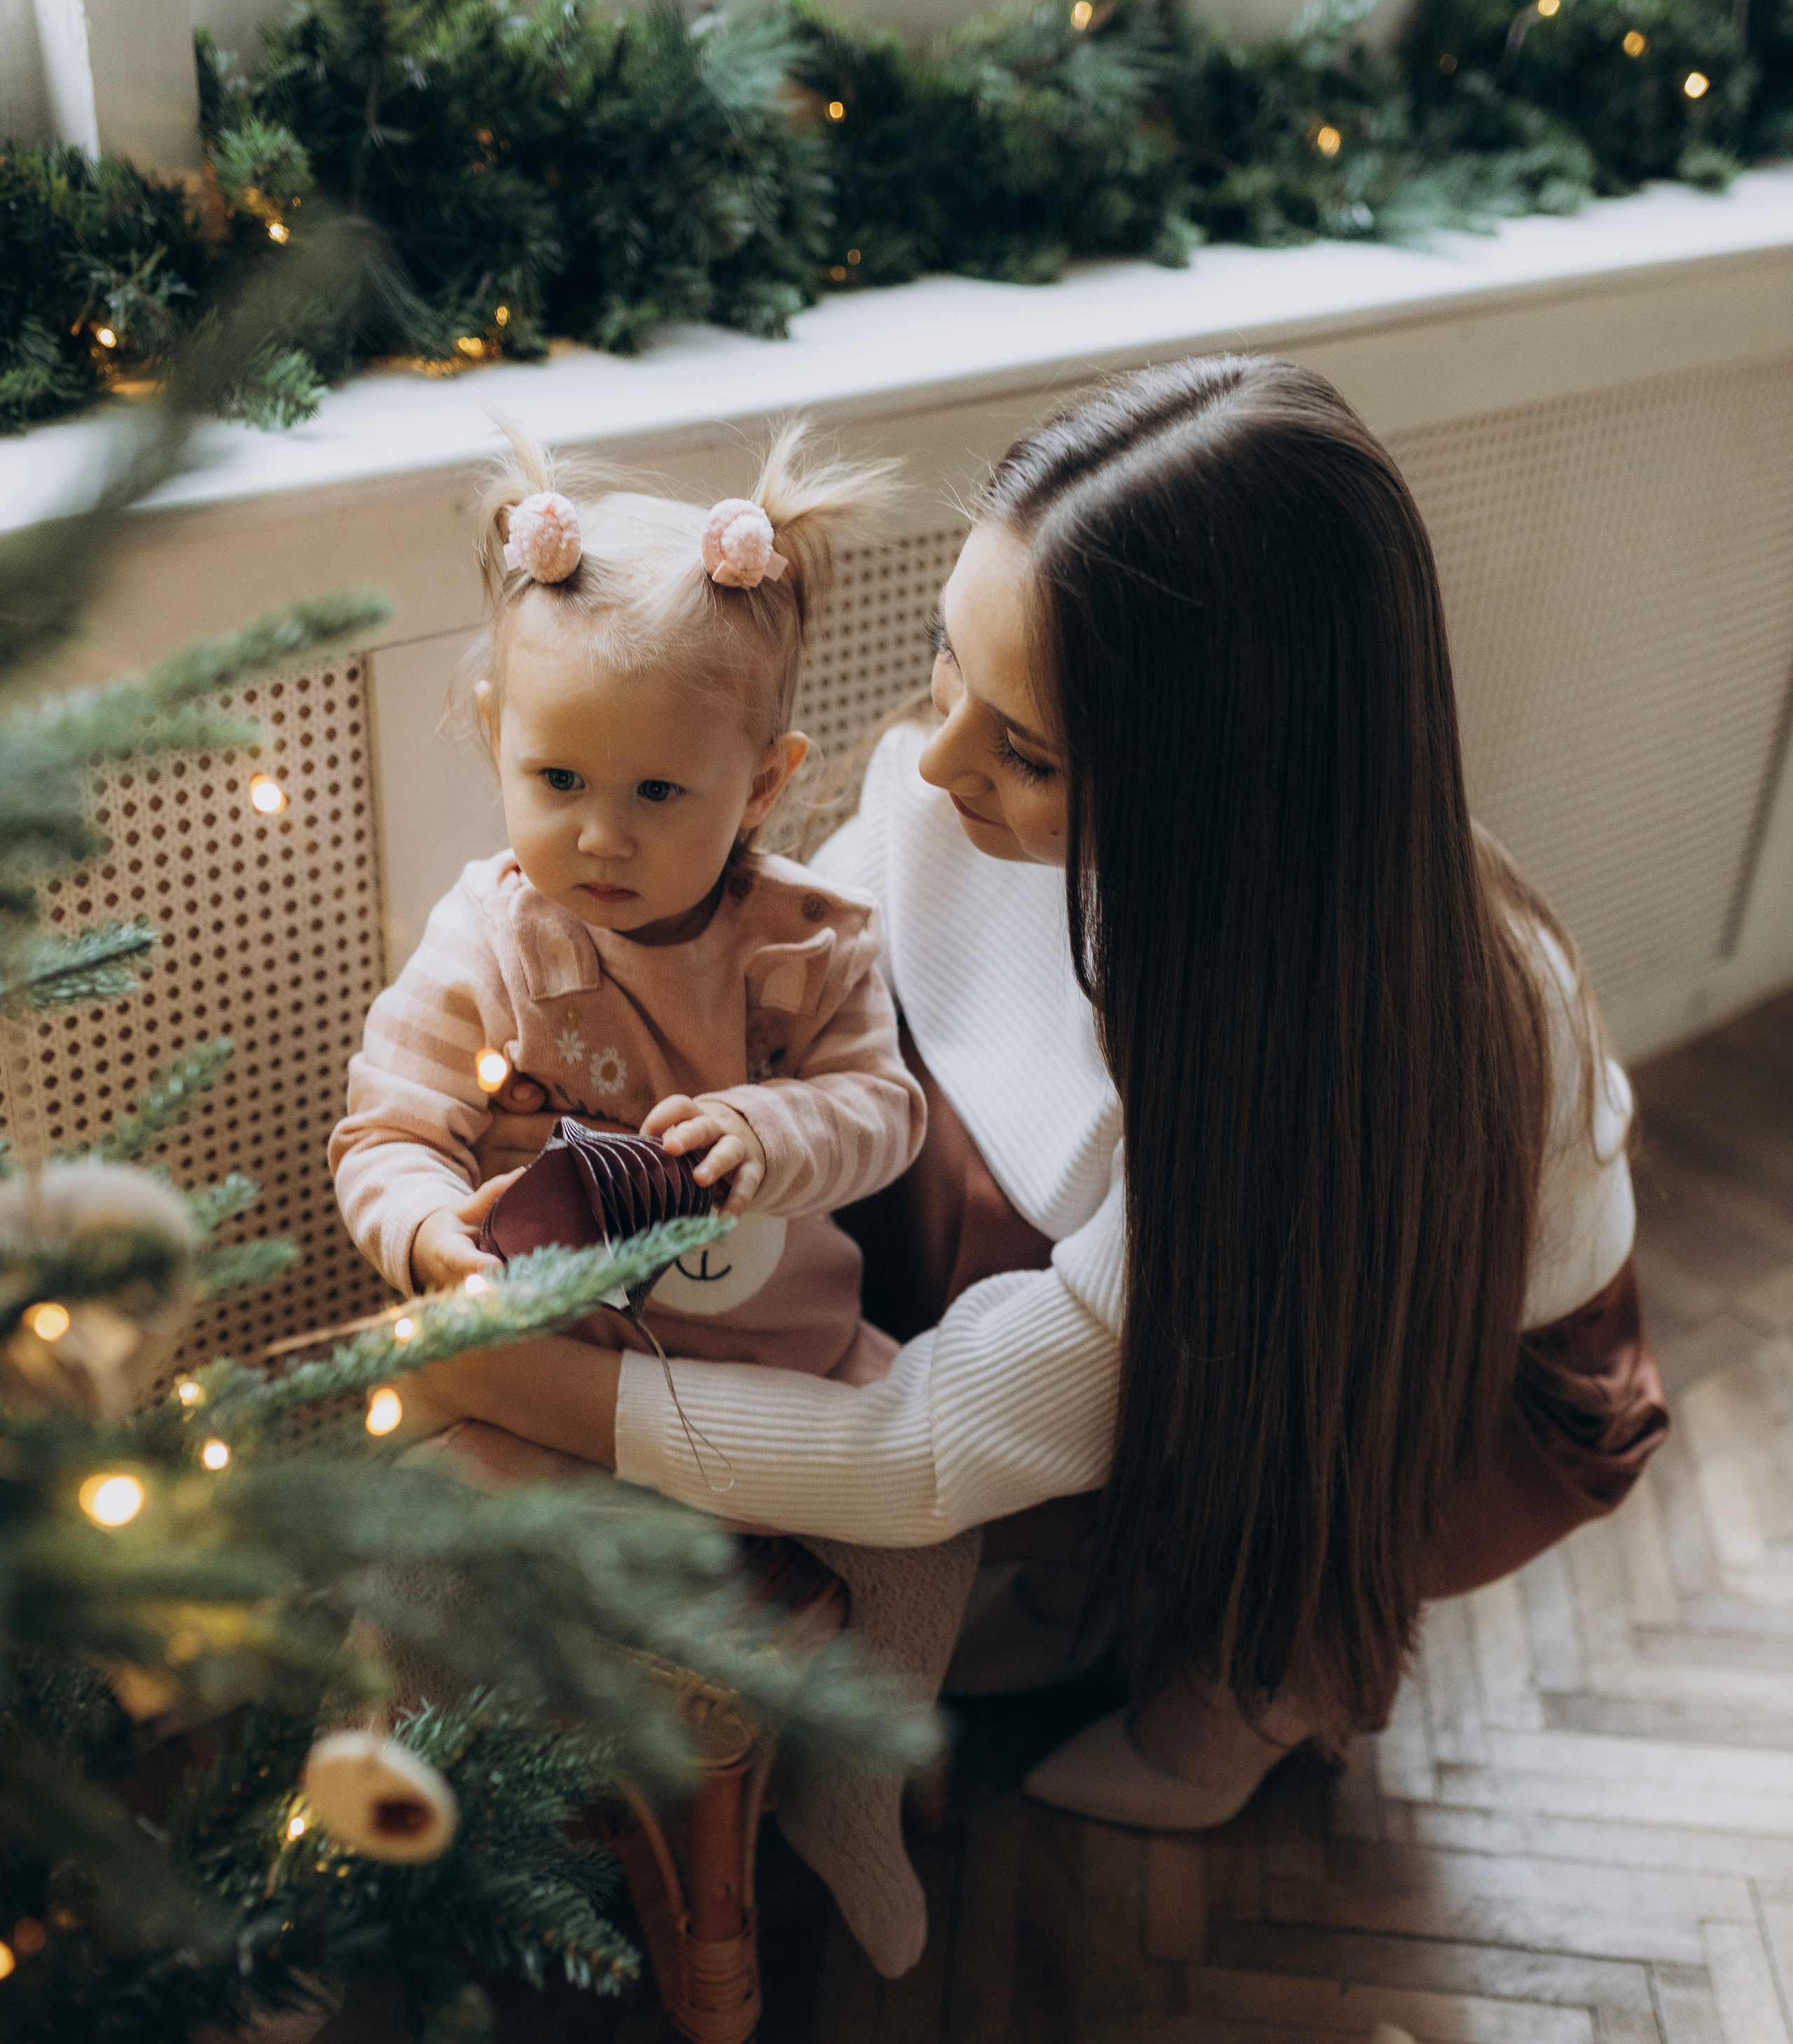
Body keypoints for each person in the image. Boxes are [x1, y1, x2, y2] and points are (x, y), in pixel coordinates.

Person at [403, 356, 1666, 1851]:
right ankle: (1093, 1572)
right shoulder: (963, 794)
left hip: (1394, 1371)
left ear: (1206, 796)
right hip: (1121, 1262)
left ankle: (1251, 1694)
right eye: (951, 662)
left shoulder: (1319, 1071)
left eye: (1026, 749)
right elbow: (802, 1019)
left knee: (1244, 1521)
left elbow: (927, 1450)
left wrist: (525, 1385)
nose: (934, 761)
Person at [331, 424, 929, 1407]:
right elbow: (388, 1133)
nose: (603, 837)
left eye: (658, 793)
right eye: (559, 779)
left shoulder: (813, 942)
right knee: (443, 1511)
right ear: (496, 736)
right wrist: (428, 1229)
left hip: (778, 1363)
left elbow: (888, 1117)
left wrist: (767, 1128)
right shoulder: (486, 940)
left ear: (762, 785)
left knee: (928, 1550)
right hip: (548, 1362)